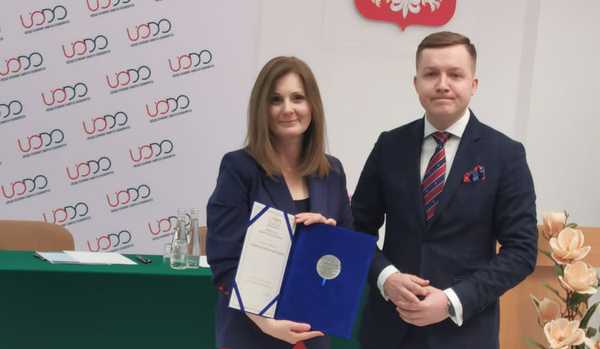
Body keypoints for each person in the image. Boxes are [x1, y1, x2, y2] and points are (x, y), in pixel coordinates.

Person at [351, 31, 538, 349]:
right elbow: (355, 227)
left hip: (464, 334)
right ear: (416, 83)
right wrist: (386, 278)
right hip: (386, 331)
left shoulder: (505, 155)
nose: (442, 84)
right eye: (431, 74)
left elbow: (521, 251)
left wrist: (453, 300)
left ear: (473, 85)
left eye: (455, 74)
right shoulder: (389, 146)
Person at [206, 56, 353, 349]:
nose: (288, 109)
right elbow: (224, 261)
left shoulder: (332, 171)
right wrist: (267, 323)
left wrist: (329, 236)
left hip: (312, 333)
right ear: (262, 109)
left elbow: (347, 260)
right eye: (276, 99)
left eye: (297, 97)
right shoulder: (239, 168)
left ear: (312, 106)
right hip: (252, 332)